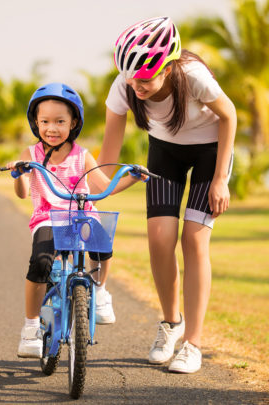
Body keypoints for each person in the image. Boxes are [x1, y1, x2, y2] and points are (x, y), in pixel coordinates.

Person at [97, 17, 237, 373]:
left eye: (145, 78)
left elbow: (229, 115)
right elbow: (107, 164)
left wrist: (221, 179)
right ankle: (170, 324)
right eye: (131, 77)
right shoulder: (124, 86)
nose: (137, 85)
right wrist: (86, 190)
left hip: (210, 152)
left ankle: (193, 344)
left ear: (168, 65)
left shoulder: (192, 77)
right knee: (160, 239)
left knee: (193, 239)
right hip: (165, 151)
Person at [5, 82, 148, 358]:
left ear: (73, 123)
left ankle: (102, 292)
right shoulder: (31, 155)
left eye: (60, 121)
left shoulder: (82, 156)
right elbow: (23, 193)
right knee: (41, 263)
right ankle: (30, 327)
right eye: (45, 121)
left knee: (102, 245)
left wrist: (132, 177)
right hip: (47, 219)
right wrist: (19, 174)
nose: (52, 128)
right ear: (36, 123)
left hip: (81, 216)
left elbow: (105, 186)